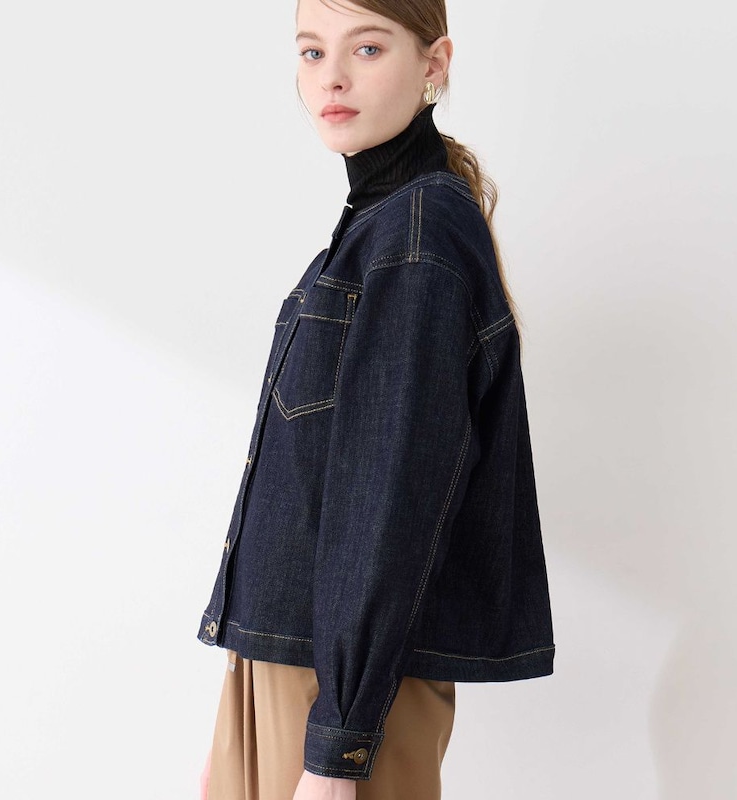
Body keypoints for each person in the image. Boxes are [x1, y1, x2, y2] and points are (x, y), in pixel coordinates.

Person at [198, 0, 555, 797]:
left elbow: (387, 503)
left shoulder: (417, 240)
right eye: (311, 51)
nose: (331, 77)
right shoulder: (378, 226)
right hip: (293, 669)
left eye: (366, 48)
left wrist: (338, 747)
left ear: (434, 64)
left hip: (339, 691)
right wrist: (240, 718)